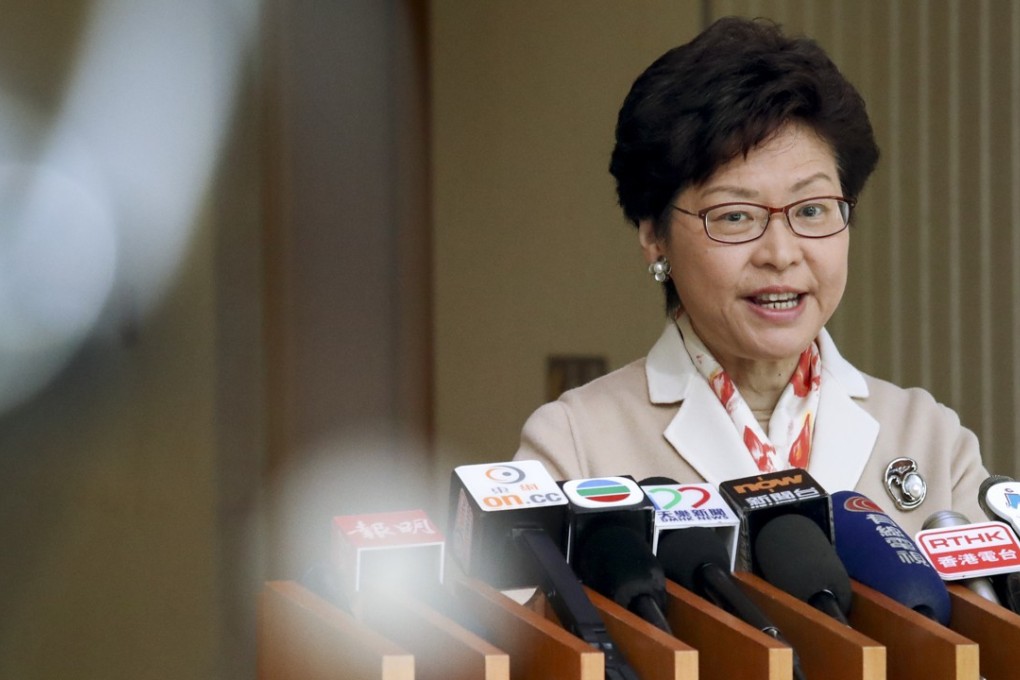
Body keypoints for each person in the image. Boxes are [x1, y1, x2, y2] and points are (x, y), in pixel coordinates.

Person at [512, 16, 989, 536]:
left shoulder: (930, 440)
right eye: (735, 216)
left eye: (811, 210)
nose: (781, 254)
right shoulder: (577, 444)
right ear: (655, 236)